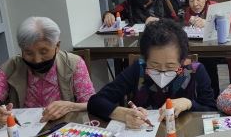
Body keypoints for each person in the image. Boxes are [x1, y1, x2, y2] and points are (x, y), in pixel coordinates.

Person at [87, 20, 216, 127]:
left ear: (182, 61)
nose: (162, 72)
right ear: (145, 59)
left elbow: (212, 110)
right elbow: (95, 102)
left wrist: (188, 103)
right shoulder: (139, 69)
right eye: (154, 65)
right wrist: (123, 113)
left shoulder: (194, 71)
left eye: (170, 66)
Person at [0, 17, 95, 125]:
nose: (37, 60)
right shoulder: (12, 67)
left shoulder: (73, 64)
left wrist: (70, 106)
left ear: (57, 46)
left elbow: (92, 103)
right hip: (23, 131)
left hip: (65, 131)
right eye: (28, 53)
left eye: (43, 52)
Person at [181, 0, 231, 97]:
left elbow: (230, 17)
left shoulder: (214, 6)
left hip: (215, 47)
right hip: (196, 47)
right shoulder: (187, 12)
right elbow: (183, 25)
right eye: (191, 0)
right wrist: (188, 22)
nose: (195, 4)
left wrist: (208, 23)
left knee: (209, 64)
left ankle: (213, 94)